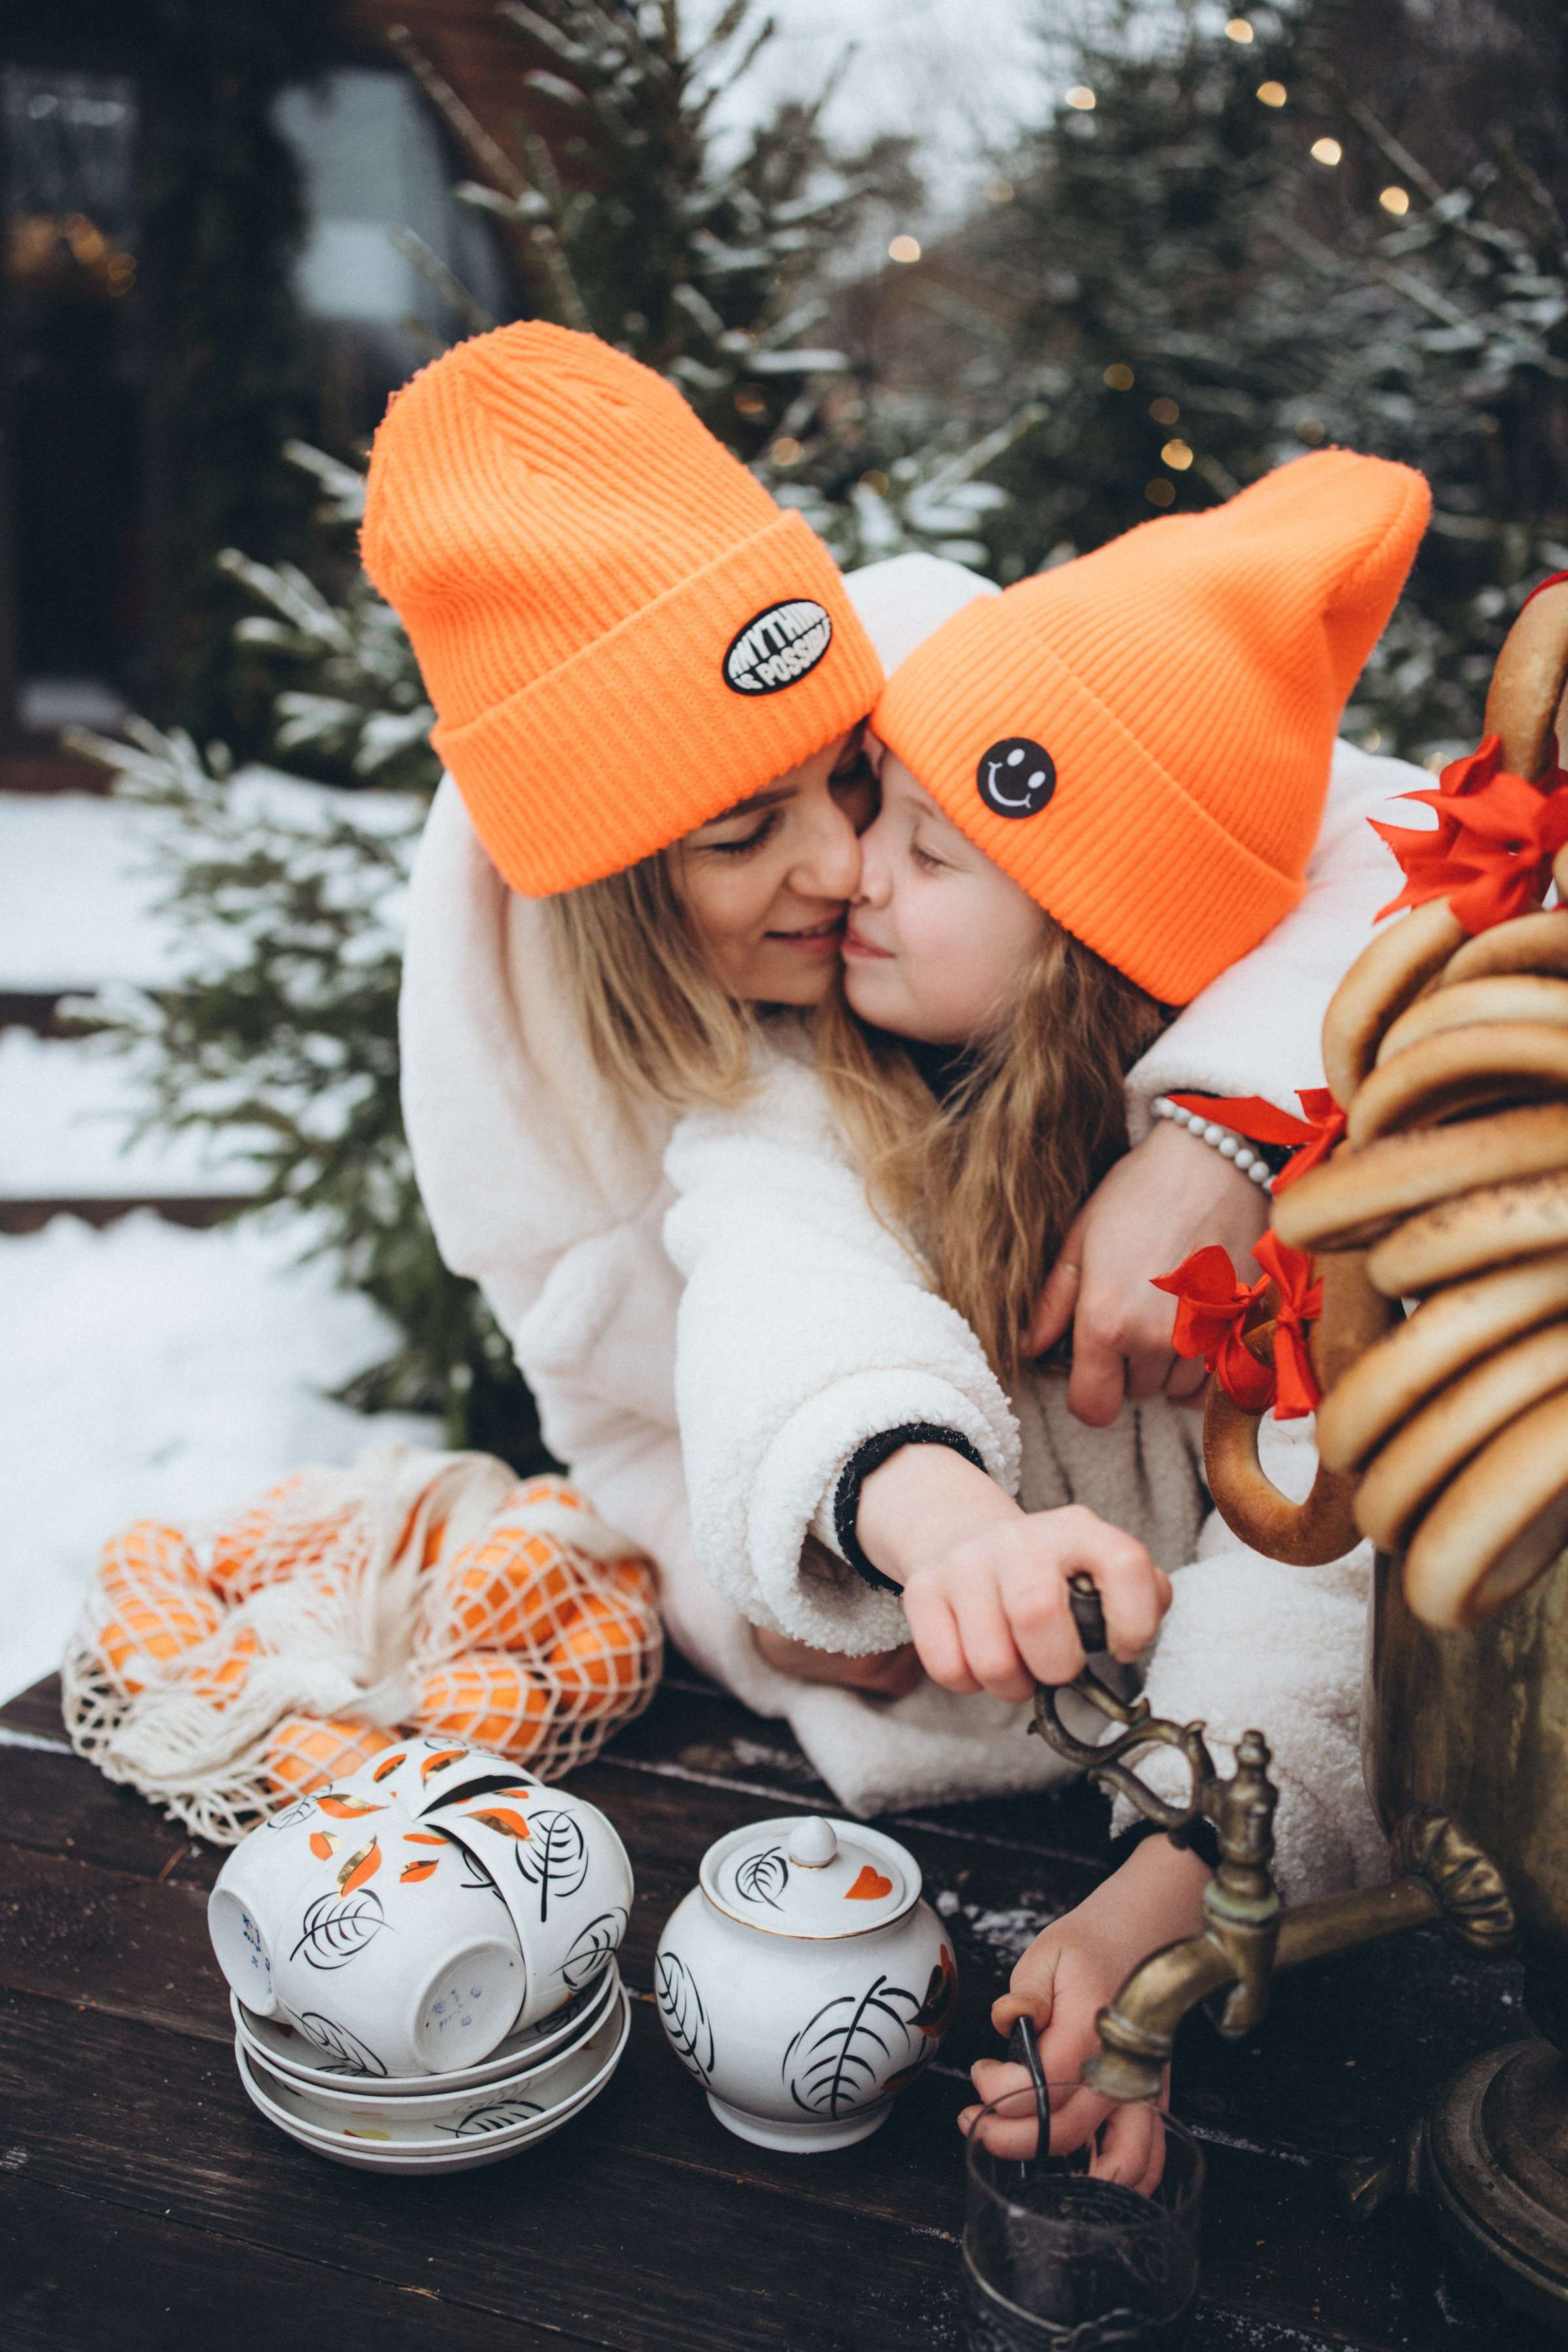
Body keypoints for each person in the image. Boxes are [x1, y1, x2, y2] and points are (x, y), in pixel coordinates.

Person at [369, 320, 1423, 1826]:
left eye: (850, 776)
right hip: (948, 1711)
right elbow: (663, 1386)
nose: (838, 860)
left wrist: (1216, 1143)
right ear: (605, 900)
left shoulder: (933, 688)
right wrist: (790, 1590)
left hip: (1228, 1684)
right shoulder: (545, 1093)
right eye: (741, 835)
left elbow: (1427, 845)